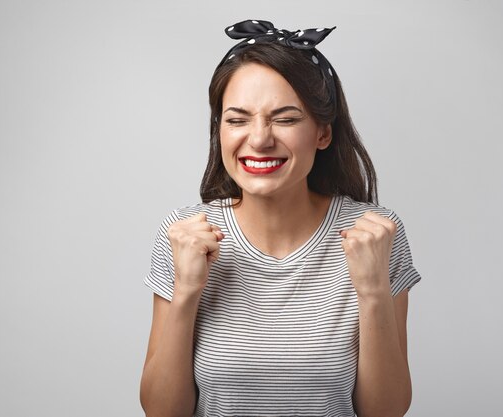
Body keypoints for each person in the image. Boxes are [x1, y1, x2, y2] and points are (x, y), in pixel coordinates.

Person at [140, 19, 422, 417]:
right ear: (219, 129)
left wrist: (373, 289)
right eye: (237, 119)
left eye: (286, 119)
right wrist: (187, 290)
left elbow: (385, 411)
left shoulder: (374, 233)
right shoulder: (185, 235)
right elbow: (162, 413)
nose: (259, 139)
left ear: (323, 132)